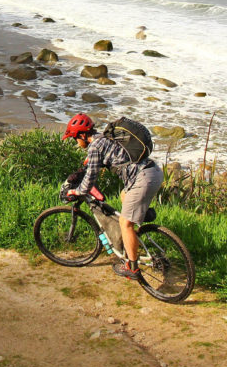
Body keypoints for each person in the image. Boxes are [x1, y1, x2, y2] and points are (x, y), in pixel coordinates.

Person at [61, 113, 163, 280]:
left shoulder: (94, 147)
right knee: (124, 196)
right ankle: (142, 219)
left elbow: (88, 182)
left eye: (74, 138)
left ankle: (132, 268)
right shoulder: (103, 138)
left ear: (82, 135)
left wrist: (76, 191)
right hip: (154, 172)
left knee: (125, 222)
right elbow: (109, 156)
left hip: (143, 179)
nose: (75, 142)